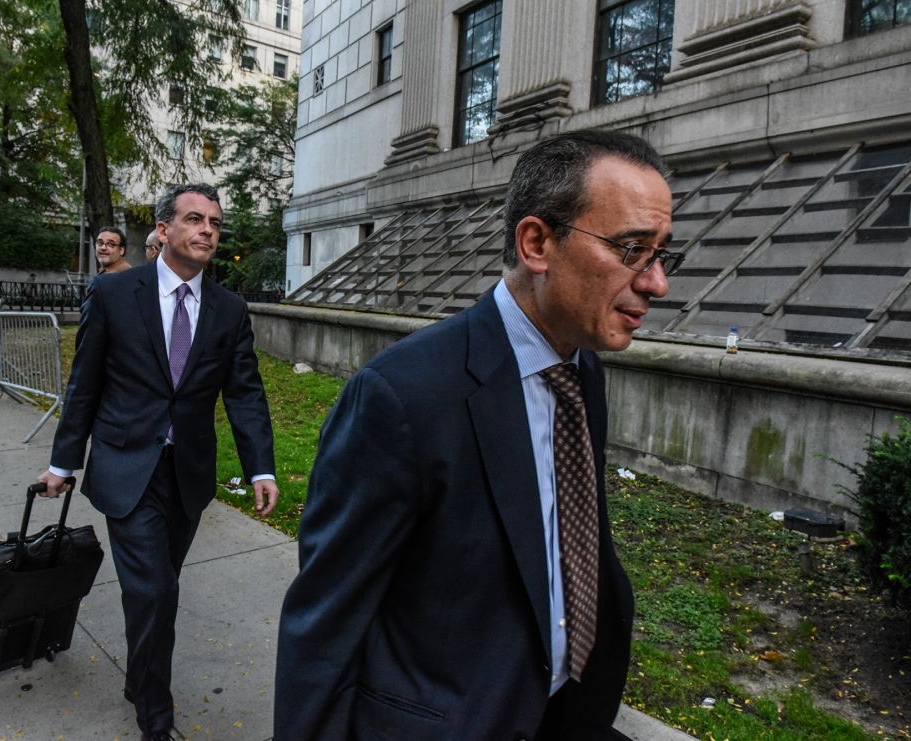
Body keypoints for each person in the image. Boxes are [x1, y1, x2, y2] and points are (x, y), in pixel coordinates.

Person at [275, 130, 682, 740]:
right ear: (538, 242)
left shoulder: (584, 373)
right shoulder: (403, 396)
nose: (656, 284)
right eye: (631, 250)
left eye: (661, 254)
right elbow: (326, 621)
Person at [37, 183, 280, 741]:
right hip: (126, 468)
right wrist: (63, 462)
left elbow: (244, 393)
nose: (208, 231)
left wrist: (261, 467)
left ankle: (139, 676)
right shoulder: (117, 294)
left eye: (215, 224)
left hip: (187, 476)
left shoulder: (229, 309)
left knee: (155, 588)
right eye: (195, 219)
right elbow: (85, 384)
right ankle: (156, 713)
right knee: (155, 593)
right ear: (164, 230)